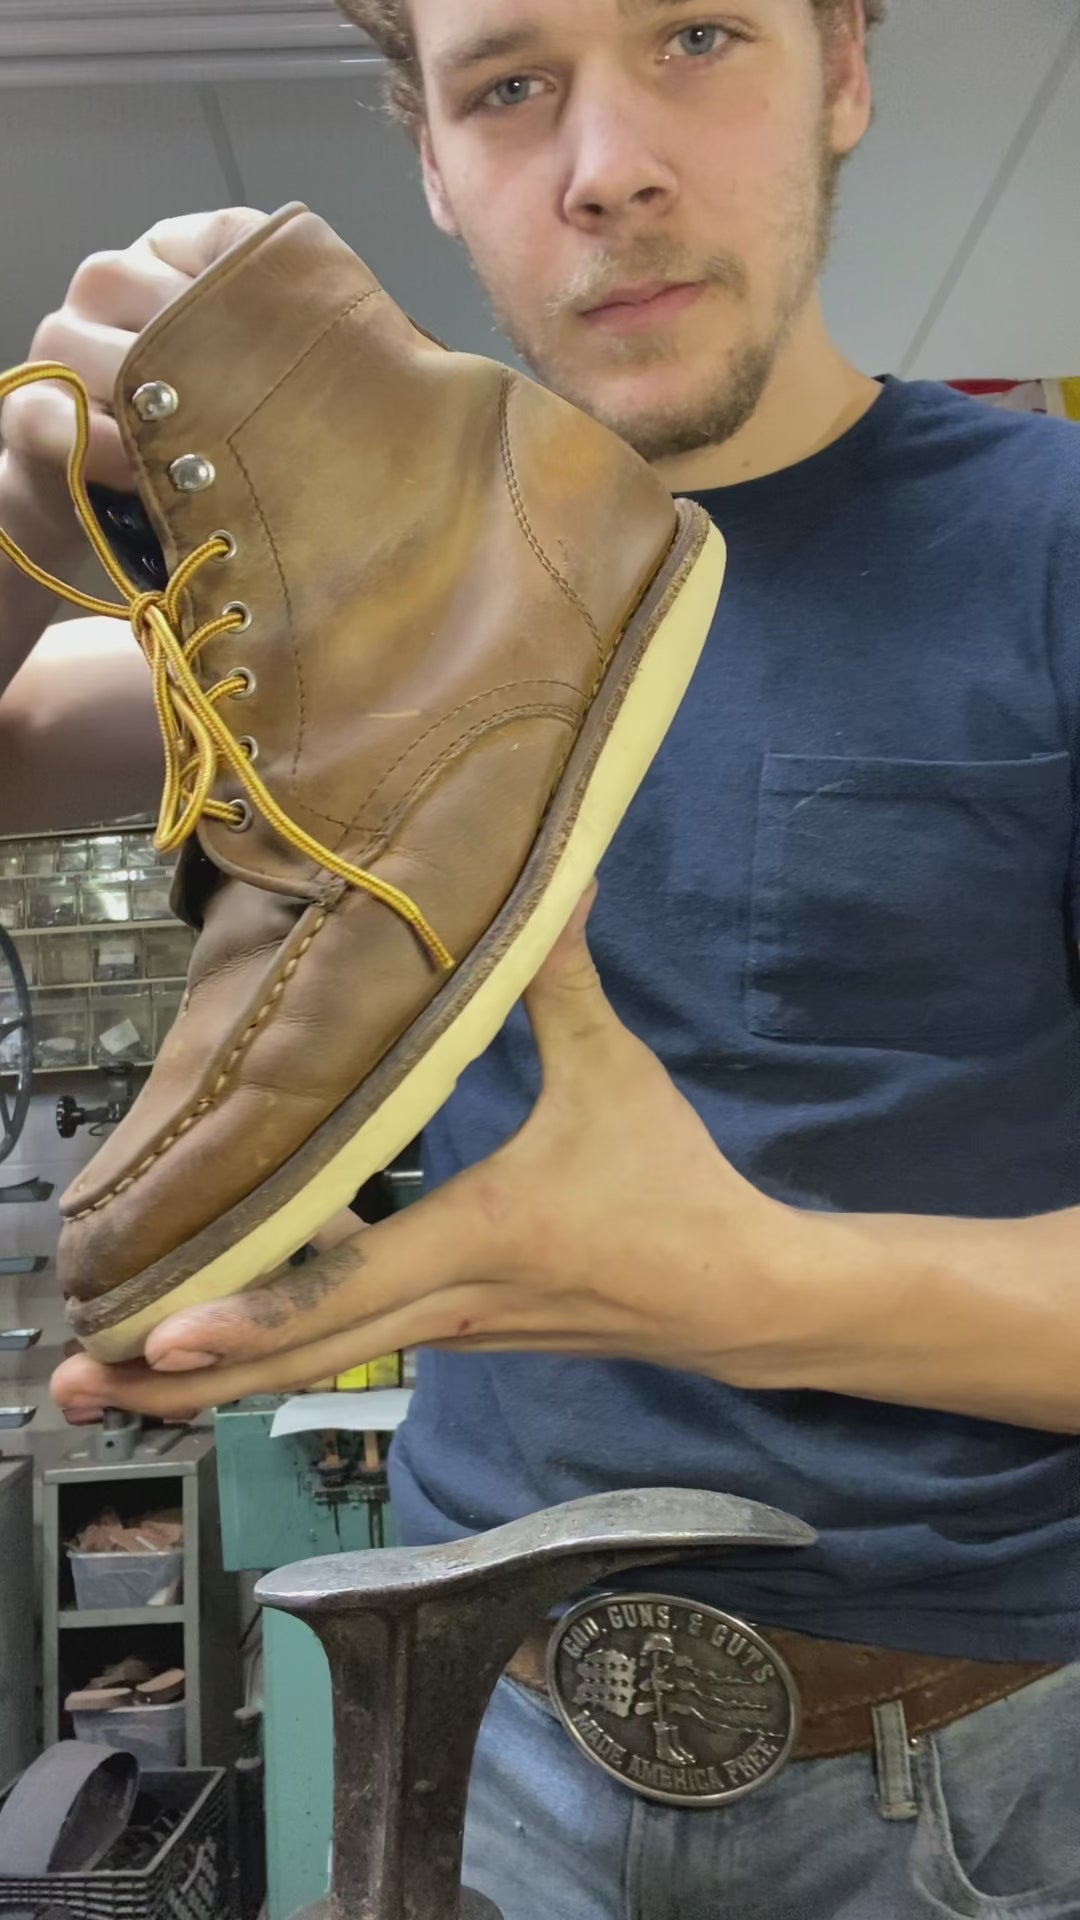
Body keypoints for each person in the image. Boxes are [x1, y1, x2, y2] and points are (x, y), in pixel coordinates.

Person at [3, 1, 1079, 1912]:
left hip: (964, 1781)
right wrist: (30, 533)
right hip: (476, 1733)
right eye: (509, 84)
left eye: (693, 36)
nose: (608, 168)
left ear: (842, 67)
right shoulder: (374, 623)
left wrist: (735, 1286)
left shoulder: (1057, 550)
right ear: (428, 154)